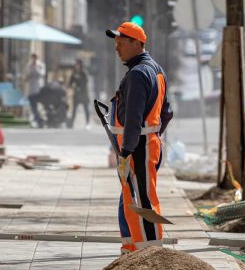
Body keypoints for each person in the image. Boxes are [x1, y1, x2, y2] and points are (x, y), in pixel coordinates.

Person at [104, 21, 173, 253]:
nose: (117, 47)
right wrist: (153, 134)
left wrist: (126, 152)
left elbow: (133, 119)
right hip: (147, 144)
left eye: (121, 42)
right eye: (116, 42)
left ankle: (149, 253)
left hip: (138, 148)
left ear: (137, 43)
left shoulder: (137, 74)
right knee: (130, 199)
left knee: (142, 200)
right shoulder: (156, 69)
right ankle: (132, 249)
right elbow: (167, 112)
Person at [68, 59, 91, 128]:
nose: (77, 66)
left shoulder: (84, 72)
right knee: (74, 109)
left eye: (78, 64)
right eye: (76, 64)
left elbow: (86, 82)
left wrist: (79, 81)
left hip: (84, 94)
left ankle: (87, 123)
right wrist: (72, 86)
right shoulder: (74, 73)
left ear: (80, 65)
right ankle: (72, 124)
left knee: (86, 109)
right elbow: (70, 83)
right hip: (76, 95)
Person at [25, 53, 46, 127]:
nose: (34, 59)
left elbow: (42, 74)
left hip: (38, 88)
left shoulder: (41, 65)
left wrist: (36, 69)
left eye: (35, 57)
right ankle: (37, 120)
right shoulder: (29, 65)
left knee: (39, 105)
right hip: (31, 89)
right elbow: (27, 76)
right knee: (33, 106)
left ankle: (41, 119)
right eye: (33, 57)